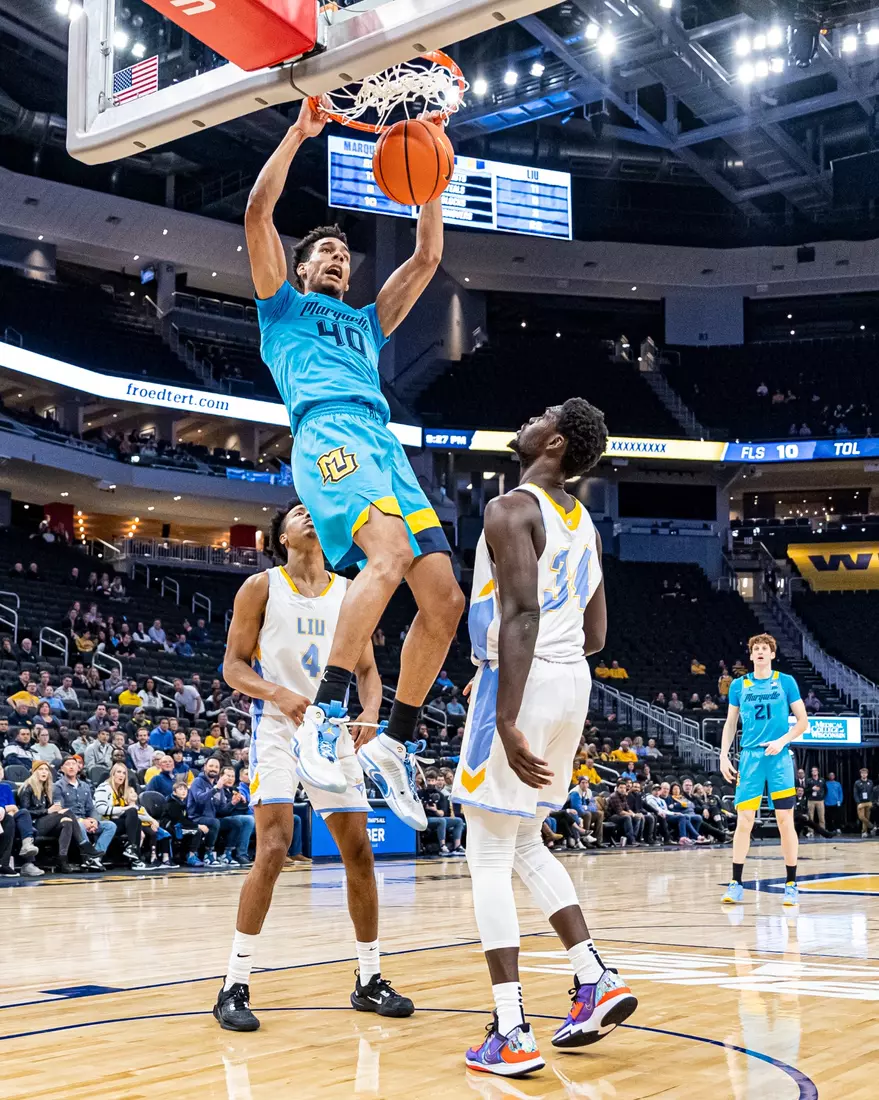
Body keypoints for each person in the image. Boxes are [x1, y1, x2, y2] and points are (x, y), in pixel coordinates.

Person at [246, 98, 463, 820]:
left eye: (345, 253)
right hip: (327, 435)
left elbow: (427, 257)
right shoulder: (281, 308)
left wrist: (430, 167)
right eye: (327, 252)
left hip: (382, 443)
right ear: (302, 268)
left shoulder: (367, 324)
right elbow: (256, 213)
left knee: (445, 598)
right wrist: (298, 133)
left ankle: (393, 745)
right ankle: (325, 719)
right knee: (389, 553)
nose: (339, 257)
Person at [450, 399, 636, 1075]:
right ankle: (594, 977)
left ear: (552, 443)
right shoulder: (582, 520)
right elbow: (595, 636)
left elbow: (523, 614)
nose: (528, 416)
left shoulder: (510, 509)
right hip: (571, 683)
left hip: (521, 682)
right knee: (524, 838)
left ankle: (511, 1030)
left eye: (544, 414)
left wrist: (504, 707)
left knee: (487, 856)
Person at [213, 501, 414, 1031]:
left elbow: (368, 670)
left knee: (360, 852)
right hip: (278, 729)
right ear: (280, 535)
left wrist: (372, 713)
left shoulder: (350, 590)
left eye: (311, 511)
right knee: (274, 845)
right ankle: (234, 983)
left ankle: (368, 979)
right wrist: (277, 694)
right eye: (295, 512)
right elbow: (233, 667)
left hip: (331, 732)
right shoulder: (260, 587)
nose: (306, 515)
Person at [720, 633, 808, 906]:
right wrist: (723, 755)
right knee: (744, 821)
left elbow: (803, 722)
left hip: (779, 757)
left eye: (764, 648)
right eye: (755, 648)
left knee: (785, 822)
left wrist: (781, 741)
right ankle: (736, 883)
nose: (760, 652)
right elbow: (730, 723)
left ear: (772, 654)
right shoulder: (738, 685)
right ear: (751, 655)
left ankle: (791, 884)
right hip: (750, 758)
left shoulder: (785, 682)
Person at [18, 762, 100, 874]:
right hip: (34, 824)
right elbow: (25, 813)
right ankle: (84, 845)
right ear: (34, 772)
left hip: (46, 822)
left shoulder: (46, 789)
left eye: (46, 770)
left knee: (67, 822)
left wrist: (56, 812)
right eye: (40, 769)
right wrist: (48, 811)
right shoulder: (27, 788)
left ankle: (63, 861)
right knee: (68, 812)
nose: (44, 772)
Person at [53, 757, 113, 868]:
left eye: (73, 764)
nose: (71, 766)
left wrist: (93, 820)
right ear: (62, 768)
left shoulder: (85, 786)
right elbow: (60, 809)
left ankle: (95, 857)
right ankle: (87, 856)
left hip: (86, 819)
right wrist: (81, 820)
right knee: (79, 824)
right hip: (71, 821)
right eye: (68, 764)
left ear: (78, 767)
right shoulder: (58, 786)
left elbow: (91, 808)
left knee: (110, 825)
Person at [93, 763, 153, 870]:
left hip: (114, 822)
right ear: (112, 774)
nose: (121, 775)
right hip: (101, 823)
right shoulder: (104, 787)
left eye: (124, 773)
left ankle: (134, 854)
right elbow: (101, 809)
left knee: (136, 819)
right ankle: (134, 853)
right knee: (131, 811)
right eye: (119, 772)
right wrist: (123, 809)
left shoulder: (121, 790)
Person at [0, 762, 43, 877]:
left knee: (23, 813)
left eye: (0, 770)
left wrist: (6, 810)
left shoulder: (6, 787)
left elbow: (14, 808)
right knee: (9, 820)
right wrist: (4, 808)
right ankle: (4, 864)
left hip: (7, 816)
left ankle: (27, 844)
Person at [418, 770, 465, 856]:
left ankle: (457, 846)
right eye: (428, 780)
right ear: (425, 781)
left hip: (435, 817)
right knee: (441, 821)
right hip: (424, 818)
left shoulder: (440, 795)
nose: (430, 783)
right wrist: (424, 806)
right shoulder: (420, 793)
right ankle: (442, 846)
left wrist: (435, 810)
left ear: (435, 781)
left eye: (432, 781)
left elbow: (442, 814)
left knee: (458, 821)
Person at [805, 766, 827, 834]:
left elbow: (825, 789)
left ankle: (822, 830)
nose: (814, 772)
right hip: (811, 800)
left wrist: (823, 797)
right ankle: (810, 831)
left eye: (815, 771)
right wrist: (812, 789)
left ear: (818, 772)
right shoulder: (808, 780)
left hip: (820, 800)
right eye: (812, 771)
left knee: (821, 817)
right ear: (811, 772)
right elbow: (805, 790)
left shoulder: (822, 780)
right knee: (811, 817)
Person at [854, 768, 875, 837]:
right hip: (861, 802)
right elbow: (855, 793)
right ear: (860, 774)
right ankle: (872, 826)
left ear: (867, 774)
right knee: (861, 817)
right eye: (862, 773)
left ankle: (864, 832)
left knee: (867, 817)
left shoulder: (870, 782)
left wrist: (872, 801)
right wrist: (858, 802)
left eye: (865, 773)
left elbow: (872, 792)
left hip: (869, 802)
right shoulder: (857, 782)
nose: (864, 774)